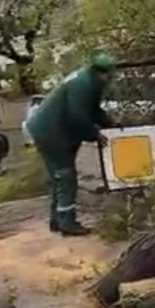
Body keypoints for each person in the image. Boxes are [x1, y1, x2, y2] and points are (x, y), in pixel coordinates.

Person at [26, 52, 117, 236]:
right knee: (65, 176)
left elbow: (93, 110)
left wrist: (111, 123)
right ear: (101, 72)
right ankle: (67, 223)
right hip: (50, 131)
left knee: (59, 177)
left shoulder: (91, 81)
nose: (109, 79)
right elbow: (78, 117)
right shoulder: (83, 84)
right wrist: (95, 134)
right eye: (108, 75)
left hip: (53, 129)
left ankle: (57, 219)